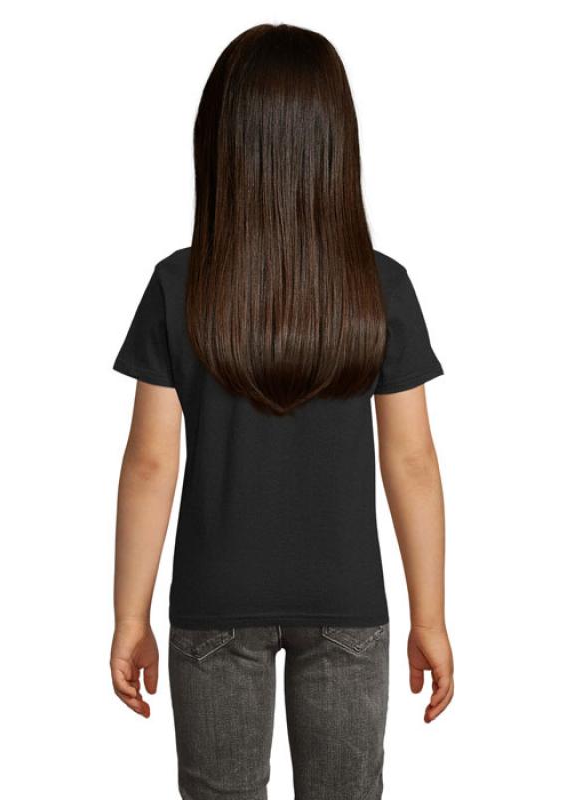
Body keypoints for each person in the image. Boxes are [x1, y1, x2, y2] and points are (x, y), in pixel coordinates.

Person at [110, 23, 454, 800]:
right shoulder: (380, 288)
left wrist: (131, 615)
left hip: (214, 605)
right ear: (336, 145)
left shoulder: (178, 287)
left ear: (220, 142)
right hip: (347, 605)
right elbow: (412, 461)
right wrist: (428, 618)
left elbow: (150, 463)